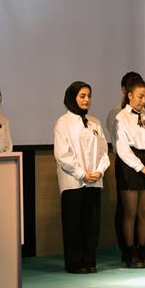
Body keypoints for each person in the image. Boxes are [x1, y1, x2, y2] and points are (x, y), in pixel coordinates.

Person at [53, 81, 110, 274]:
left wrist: (99, 171)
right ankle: (75, 263)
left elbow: (104, 151)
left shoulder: (95, 122)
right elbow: (62, 154)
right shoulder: (63, 122)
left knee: (92, 223)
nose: (87, 100)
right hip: (73, 182)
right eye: (82, 96)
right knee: (73, 224)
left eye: (89, 96)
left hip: (94, 180)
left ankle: (89, 260)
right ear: (72, 97)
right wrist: (82, 174)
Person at [113, 78, 145, 268]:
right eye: (140, 96)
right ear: (130, 95)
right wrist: (140, 167)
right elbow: (122, 148)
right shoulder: (121, 117)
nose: (143, 100)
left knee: (144, 212)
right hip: (130, 164)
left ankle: (143, 249)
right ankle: (130, 251)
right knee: (130, 212)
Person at [109, 71, 144, 261]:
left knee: (141, 210)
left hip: (143, 163)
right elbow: (118, 144)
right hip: (125, 162)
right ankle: (127, 248)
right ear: (125, 90)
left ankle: (139, 247)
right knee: (125, 209)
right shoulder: (117, 113)